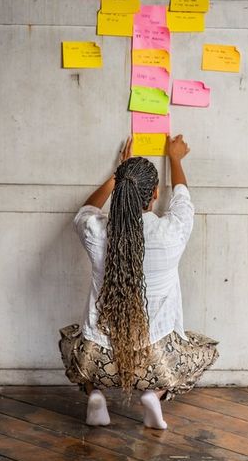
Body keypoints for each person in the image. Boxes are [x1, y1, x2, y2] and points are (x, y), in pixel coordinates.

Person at [59, 134, 219, 430]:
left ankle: (95, 395)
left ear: (119, 192)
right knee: (205, 348)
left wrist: (117, 174)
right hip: (154, 364)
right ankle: (154, 395)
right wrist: (175, 158)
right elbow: (183, 198)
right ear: (155, 194)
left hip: (98, 362)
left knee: (73, 337)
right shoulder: (172, 233)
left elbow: (85, 212)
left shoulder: (96, 233)